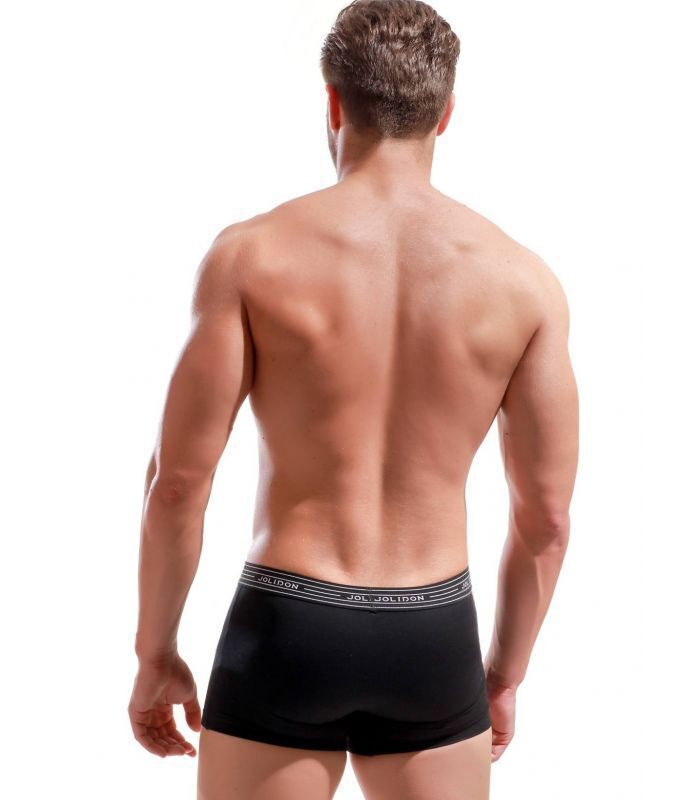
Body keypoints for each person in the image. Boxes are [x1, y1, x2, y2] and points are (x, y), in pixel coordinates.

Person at [128, 1, 579, 797]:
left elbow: (178, 484)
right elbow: (545, 518)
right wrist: (503, 674)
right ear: (446, 113)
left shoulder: (250, 257)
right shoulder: (524, 284)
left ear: (333, 103)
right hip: (433, 631)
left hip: (285, 623)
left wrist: (154, 654)